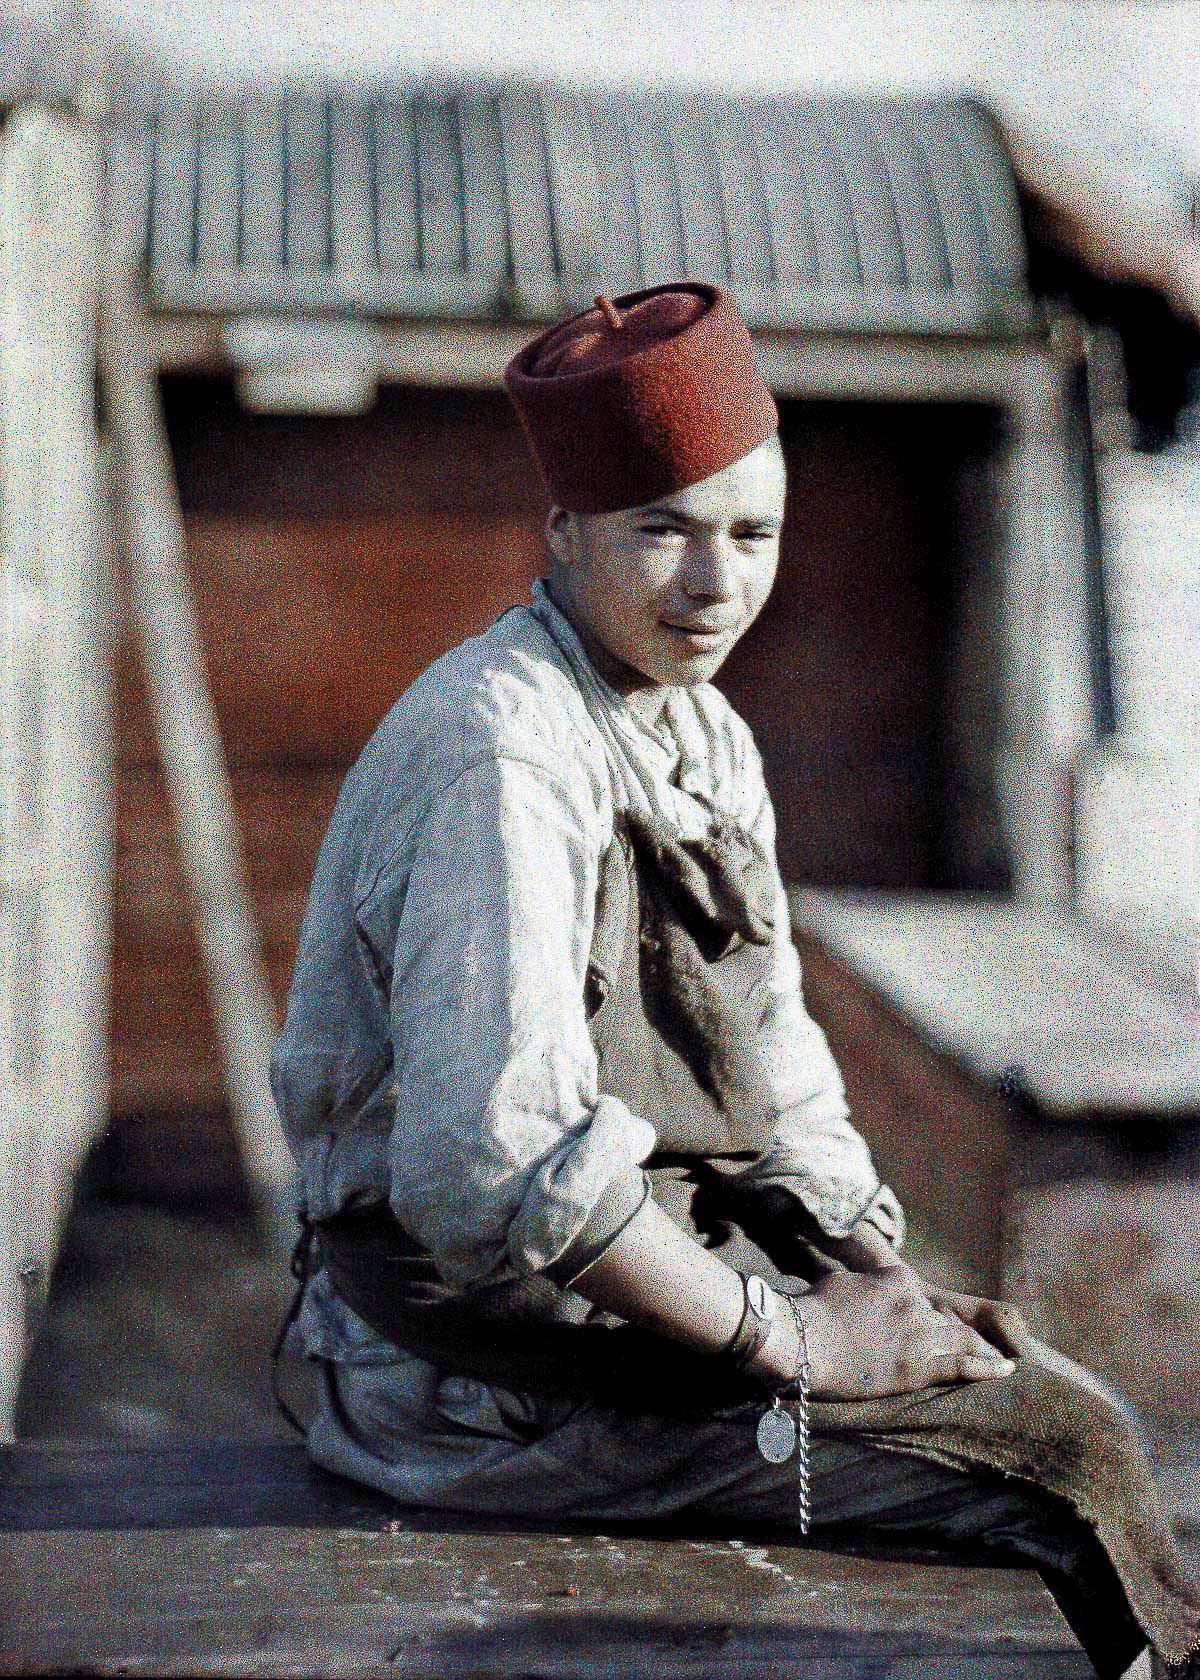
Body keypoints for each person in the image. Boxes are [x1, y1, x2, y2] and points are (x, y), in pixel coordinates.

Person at [270, 282, 1197, 1680]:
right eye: (665, 531)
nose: (716, 585)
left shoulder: (699, 731)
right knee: (1058, 1467)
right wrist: (797, 1340)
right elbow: (494, 1169)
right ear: (566, 534)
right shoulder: (504, 752)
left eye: (752, 533)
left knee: (1023, 1377)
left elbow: (777, 1060)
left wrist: (874, 1278)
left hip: (616, 1295)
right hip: (465, 1383)